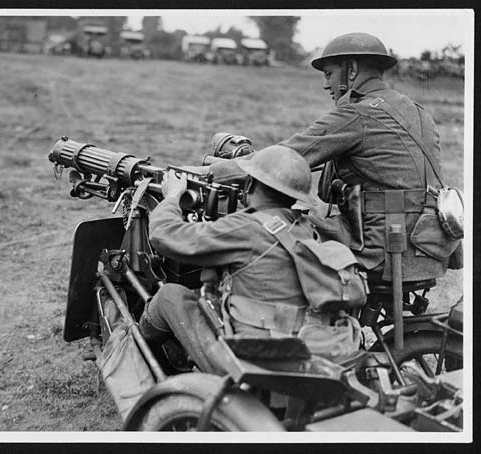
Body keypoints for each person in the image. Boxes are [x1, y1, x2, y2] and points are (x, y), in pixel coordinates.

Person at [205, 32, 460, 283]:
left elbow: (281, 158)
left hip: (383, 249)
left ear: (350, 70)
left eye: (328, 74)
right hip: (429, 245)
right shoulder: (418, 112)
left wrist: (200, 171)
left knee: (266, 226)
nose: (326, 85)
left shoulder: (356, 114)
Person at [139, 145, 359, 375]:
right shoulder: (304, 228)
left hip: (253, 358)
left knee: (170, 296)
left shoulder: (245, 228)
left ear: (250, 184)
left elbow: (165, 235)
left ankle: (145, 366)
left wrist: (172, 197)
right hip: (304, 348)